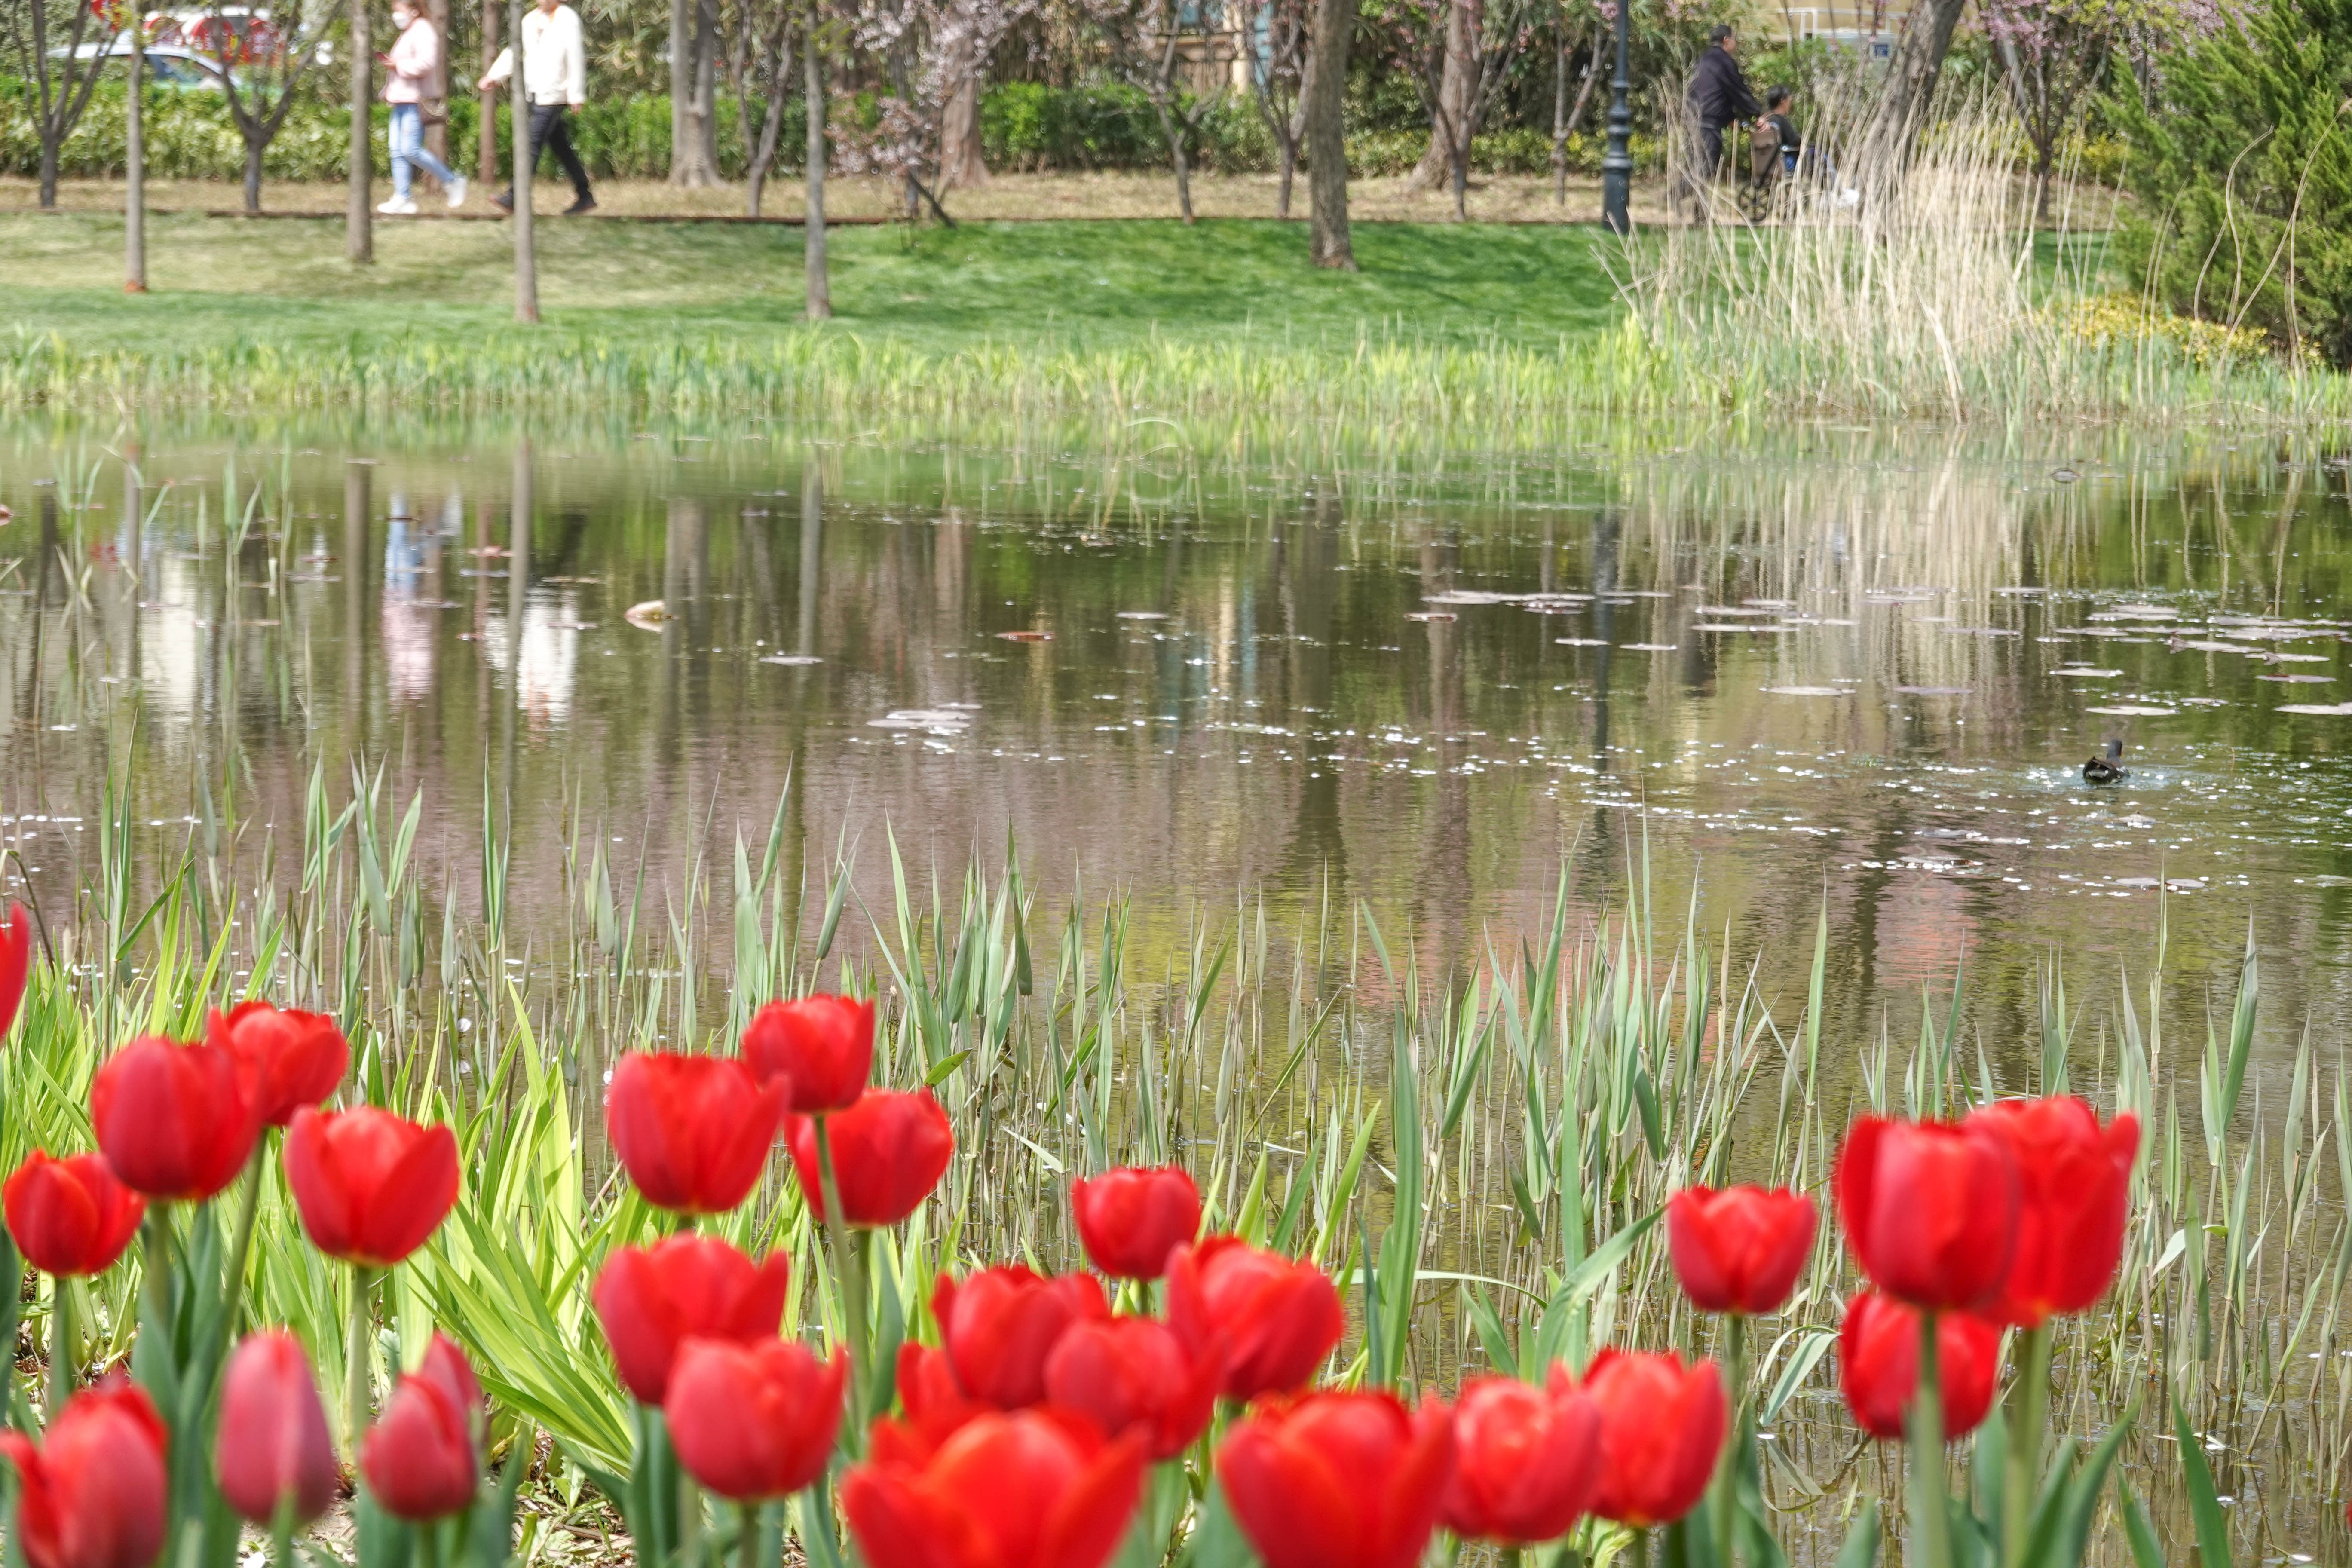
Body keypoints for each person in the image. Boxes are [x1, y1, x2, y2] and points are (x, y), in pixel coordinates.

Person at [477, 0, 596, 216]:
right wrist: (494, 76)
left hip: (555, 94)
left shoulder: (567, 18)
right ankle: (585, 195)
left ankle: (514, 196)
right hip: (536, 92)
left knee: (531, 144)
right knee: (561, 147)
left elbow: (576, 56)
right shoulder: (529, 20)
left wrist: (576, 94)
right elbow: (516, 50)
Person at [379, 0, 466, 215]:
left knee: (410, 149)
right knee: (397, 151)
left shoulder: (423, 31)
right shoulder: (408, 33)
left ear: (414, 11)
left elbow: (426, 64)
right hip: (400, 100)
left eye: (398, 11)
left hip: (415, 101)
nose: (395, 16)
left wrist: (397, 65)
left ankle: (452, 181)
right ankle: (403, 198)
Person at [1685, 24, 1763, 195]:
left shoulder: (1705, 60)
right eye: (1735, 39)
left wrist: (1730, 118)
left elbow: (1718, 94)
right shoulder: (1724, 62)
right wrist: (1757, 115)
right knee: (1705, 168)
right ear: (1726, 40)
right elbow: (1738, 91)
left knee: (1699, 166)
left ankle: (1700, 215)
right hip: (1708, 124)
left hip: (1693, 119)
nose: (1736, 43)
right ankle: (1674, 196)